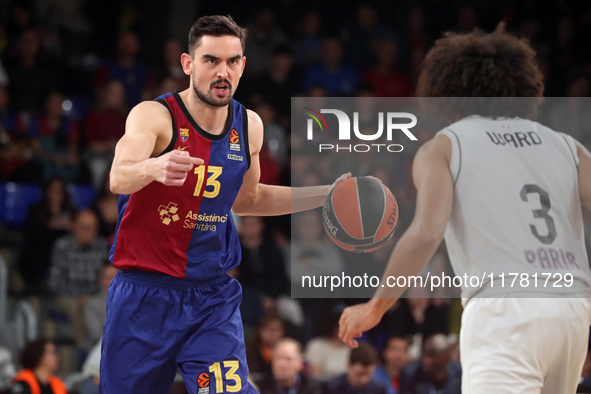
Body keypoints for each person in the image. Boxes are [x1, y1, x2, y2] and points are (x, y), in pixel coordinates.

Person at [102, 15, 349, 394]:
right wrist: (154, 166)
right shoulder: (154, 116)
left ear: (243, 66)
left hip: (209, 297)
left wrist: (326, 194)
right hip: (144, 295)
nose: (223, 71)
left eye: (232, 61)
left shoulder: (248, 125)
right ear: (188, 64)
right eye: (211, 60)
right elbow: (118, 176)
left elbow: (250, 199)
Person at [338, 25, 591, 393]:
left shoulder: (445, 146)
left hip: (504, 308)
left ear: (447, 92)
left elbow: (426, 233)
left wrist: (375, 307)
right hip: (572, 306)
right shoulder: (567, 145)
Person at [255, 338, 321, 394]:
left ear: (300, 363)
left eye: (288, 359)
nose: (282, 364)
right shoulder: (258, 388)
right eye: (278, 358)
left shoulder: (312, 387)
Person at [321, 342, 386, 394]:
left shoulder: (378, 389)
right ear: (349, 365)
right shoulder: (331, 387)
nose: (364, 380)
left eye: (368, 374)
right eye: (359, 374)